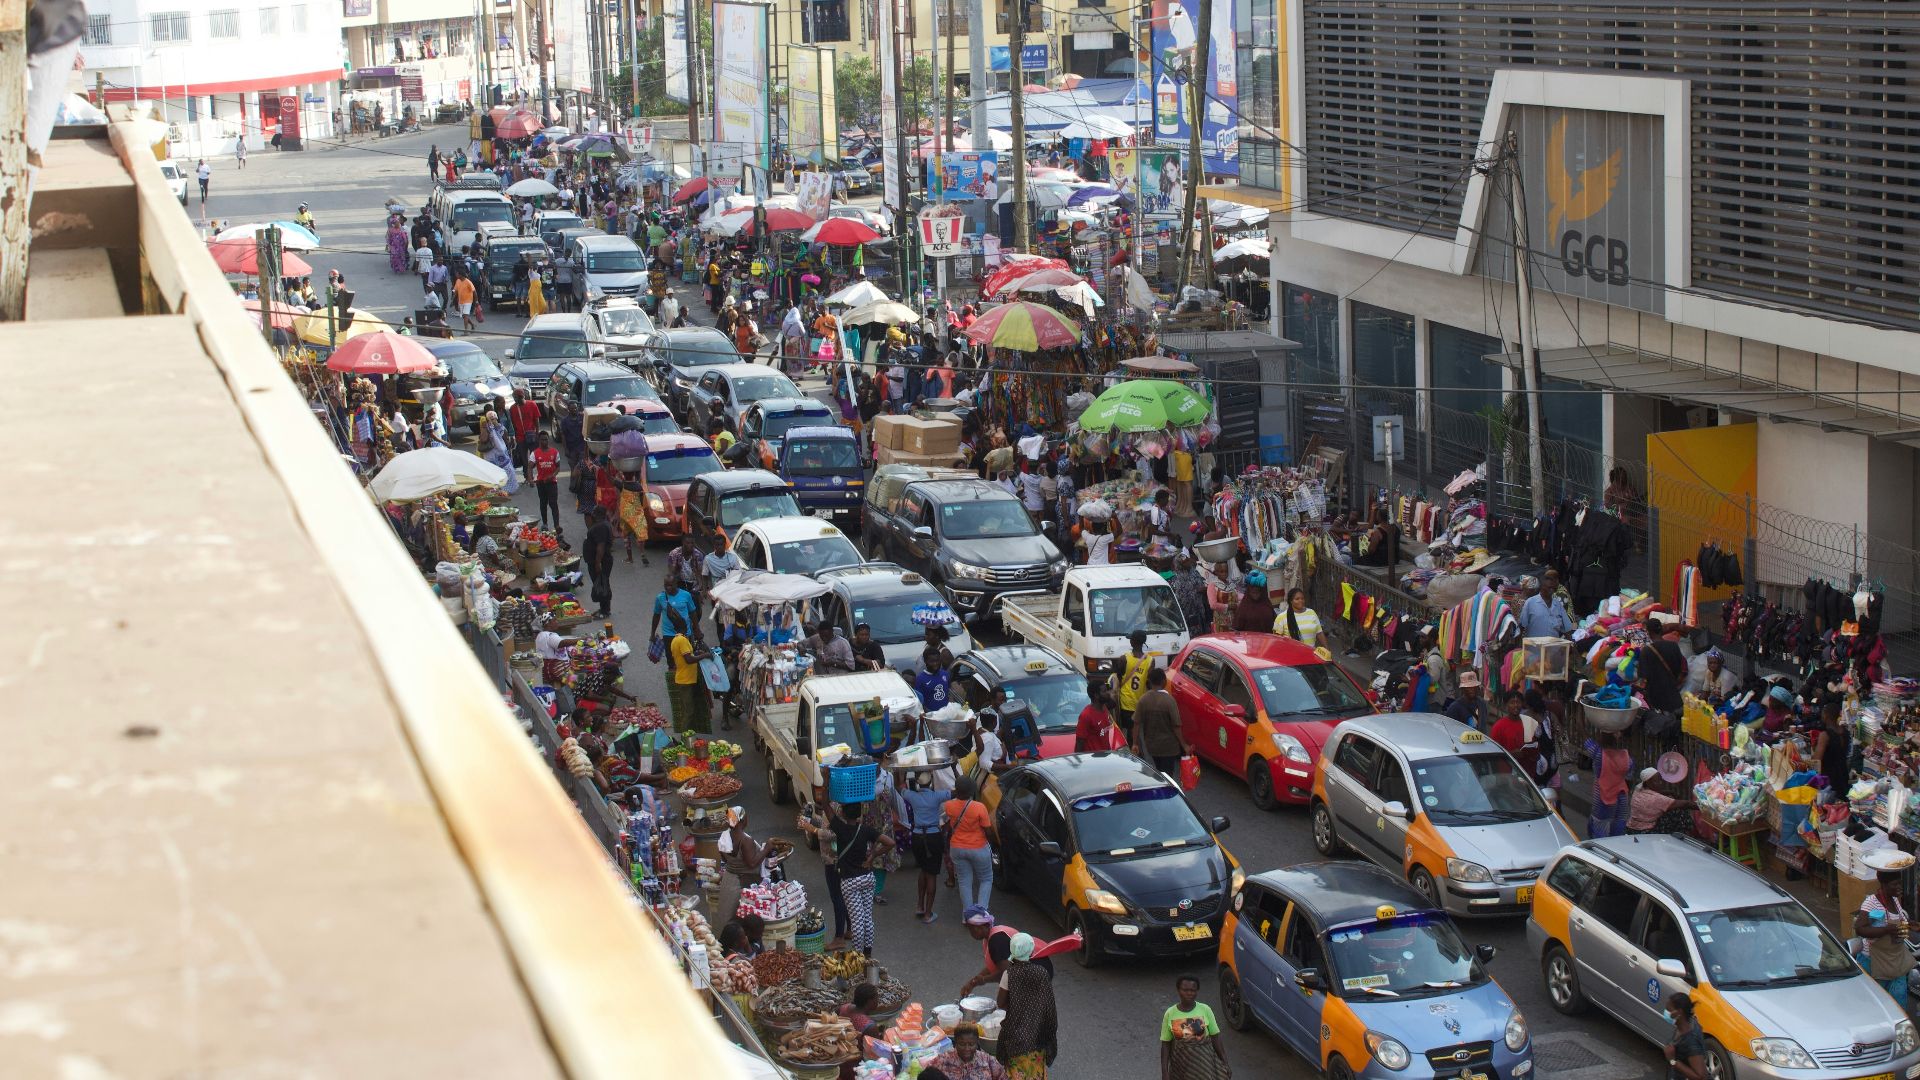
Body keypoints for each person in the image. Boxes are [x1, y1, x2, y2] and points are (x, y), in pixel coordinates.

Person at [804, 801, 892, 956]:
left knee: (857, 921)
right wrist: (872, 856)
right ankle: (867, 954)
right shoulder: (865, 830)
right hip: (867, 878)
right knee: (867, 919)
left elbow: (826, 806)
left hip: (850, 882)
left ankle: (856, 956)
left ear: (843, 813)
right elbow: (890, 843)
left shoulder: (840, 828)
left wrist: (825, 787)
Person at [996, 934, 1059, 1080]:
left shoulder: (1009, 974)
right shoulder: (1041, 973)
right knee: (1035, 1073)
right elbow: (1048, 1006)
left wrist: (1016, 1003)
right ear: (1030, 951)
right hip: (1037, 1035)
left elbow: (1001, 1003)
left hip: (1015, 1036)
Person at [1856, 868, 1916, 1007]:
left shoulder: (1895, 900)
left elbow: (1899, 921)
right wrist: (1886, 929)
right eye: (1895, 884)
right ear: (1883, 885)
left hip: (1895, 958)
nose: (1899, 887)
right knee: (1875, 1004)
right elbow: (1860, 929)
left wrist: (1909, 924)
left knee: (1898, 1003)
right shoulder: (1871, 903)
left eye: (1900, 883)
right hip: (1874, 961)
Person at [900, 771, 951, 922]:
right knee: (932, 874)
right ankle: (928, 913)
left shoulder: (912, 796)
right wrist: (954, 769)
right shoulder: (937, 796)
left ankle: (920, 906)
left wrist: (901, 773)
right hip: (933, 836)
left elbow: (899, 787)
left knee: (923, 870)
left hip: (917, 837)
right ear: (930, 783)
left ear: (917, 782)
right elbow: (960, 790)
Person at [1161, 975, 1230, 1080]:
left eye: (1193, 990)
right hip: (1181, 1066)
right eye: (1185, 990)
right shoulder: (1170, 1013)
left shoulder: (1205, 1009)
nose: (1189, 993)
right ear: (1178, 990)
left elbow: (1215, 1038)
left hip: (1205, 1065)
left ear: (1197, 991)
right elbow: (1166, 1044)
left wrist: (1225, 1063)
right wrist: (1164, 1072)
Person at [944, 777, 995, 912]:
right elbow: (988, 830)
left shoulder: (948, 805)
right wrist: (991, 844)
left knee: (964, 882)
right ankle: (980, 914)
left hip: (957, 848)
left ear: (956, 790)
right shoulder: (979, 807)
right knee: (986, 879)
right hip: (978, 847)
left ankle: (967, 916)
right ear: (972, 791)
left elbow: (946, 823)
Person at [1131, 668, 1190, 775]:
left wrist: (1135, 743)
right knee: (1167, 774)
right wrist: (1184, 745)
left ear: (1150, 682)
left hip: (1152, 746)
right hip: (1168, 747)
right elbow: (1176, 726)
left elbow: (1136, 723)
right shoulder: (1169, 701)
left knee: (1158, 771)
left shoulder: (1143, 699)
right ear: (1164, 681)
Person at [664, 608, 712, 734]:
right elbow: (689, 659)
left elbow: (688, 655)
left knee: (690, 709)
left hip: (687, 678)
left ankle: (690, 734)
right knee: (688, 711)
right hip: (685, 680)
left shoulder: (677, 640)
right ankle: (685, 738)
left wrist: (697, 653)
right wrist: (705, 655)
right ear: (685, 626)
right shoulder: (682, 640)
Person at [1589, 730, 1633, 838]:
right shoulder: (1627, 758)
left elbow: (1585, 737)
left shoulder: (1599, 754)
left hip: (1603, 798)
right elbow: (1629, 780)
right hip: (1622, 797)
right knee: (1618, 828)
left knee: (1600, 830)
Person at [1626, 768, 1696, 835]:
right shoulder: (1656, 799)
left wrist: (1670, 792)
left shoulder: (1638, 790)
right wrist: (1701, 806)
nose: (1661, 783)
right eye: (1657, 781)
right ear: (1648, 782)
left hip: (1631, 828)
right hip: (1647, 831)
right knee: (1678, 811)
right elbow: (1686, 804)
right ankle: (1683, 834)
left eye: (1661, 780)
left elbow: (1656, 792)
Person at [928, 1023, 1006, 1080]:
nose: (967, 1048)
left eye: (971, 1044)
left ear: (977, 1043)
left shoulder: (987, 1061)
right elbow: (927, 1075)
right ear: (956, 1042)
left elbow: (1003, 1077)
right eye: (962, 1044)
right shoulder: (943, 1060)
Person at [1661, 993, 1709, 1080]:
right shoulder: (1686, 1022)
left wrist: (1672, 1060)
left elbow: (1700, 1076)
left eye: (1668, 1010)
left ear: (1679, 1012)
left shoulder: (1691, 1041)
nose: (1666, 1012)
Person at [1116, 629, 1155, 733]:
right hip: (1141, 703)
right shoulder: (1150, 661)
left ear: (1132, 642)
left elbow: (1118, 677)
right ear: (1143, 643)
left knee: (1127, 730)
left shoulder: (1124, 659)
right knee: (1138, 730)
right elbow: (1149, 683)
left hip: (1126, 702)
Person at [527, 432, 563, 532]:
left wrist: (552, 475)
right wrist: (530, 479)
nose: (544, 442)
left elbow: (558, 467)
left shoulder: (555, 452)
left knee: (553, 503)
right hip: (541, 483)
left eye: (546, 439)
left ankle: (557, 526)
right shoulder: (535, 453)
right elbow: (530, 467)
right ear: (539, 441)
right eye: (542, 440)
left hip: (552, 483)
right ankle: (545, 524)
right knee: (543, 503)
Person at [583, 506, 615, 617]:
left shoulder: (600, 527)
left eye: (593, 513)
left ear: (596, 514)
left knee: (602, 585)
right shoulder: (603, 524)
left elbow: (600, 546)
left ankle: (605, 611)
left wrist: (598, 563)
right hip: (601, 560)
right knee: (601, 583)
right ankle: (604, 609)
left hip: (601, 561)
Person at [1518, 574, 1573, 639]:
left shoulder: (1558, 605)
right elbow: (1521, 626)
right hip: (1534, 645)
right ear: (1541, 587)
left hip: (1553, 644)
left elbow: (1567, 629)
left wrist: (1572, 642)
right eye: (1549, 588)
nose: (1552, 590)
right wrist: (1516, 643)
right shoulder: (1530, 602)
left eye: (1553, 588)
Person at [1814, 700, 1851, 792]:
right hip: (1843, 773)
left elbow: (1816, 760)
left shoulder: (1825, 735)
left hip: (1829, 777)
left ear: (1825, 716)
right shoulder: (1845, 732)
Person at [1074, 681, 1122, 752]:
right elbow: (1079, 743)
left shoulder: (1104, 708)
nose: (1107, 693)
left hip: (1106, 755)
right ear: (1096, 695)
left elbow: (1113, 703)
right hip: (1092, 758)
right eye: (1104, 691)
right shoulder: (1086, 715)